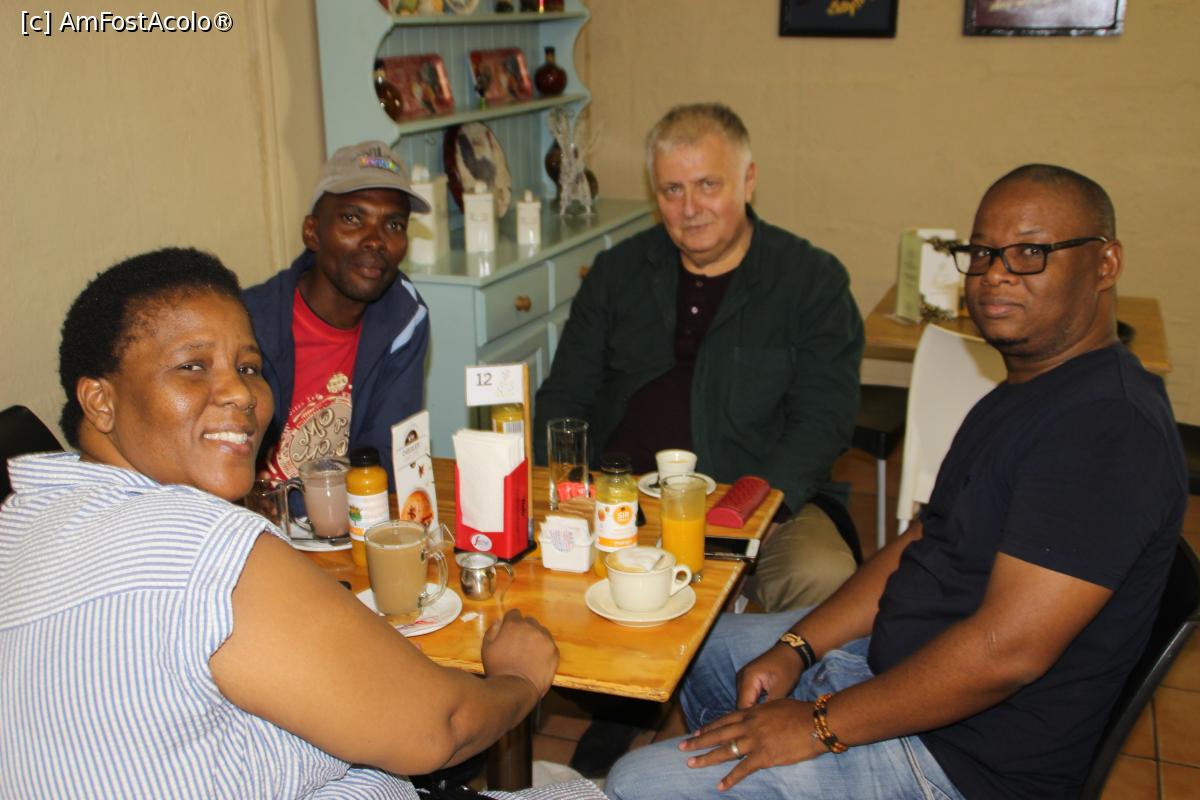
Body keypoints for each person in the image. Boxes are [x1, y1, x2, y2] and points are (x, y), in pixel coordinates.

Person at [605, 164, 1189, 799]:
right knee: (700, 644)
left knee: (637, 784)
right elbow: (923, 541)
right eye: (983, 252)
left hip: (961, 764)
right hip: (893, 668)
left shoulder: (1107, 428)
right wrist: (797, 646)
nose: (995, 273)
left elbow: (1007, 650)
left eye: (1030, 253)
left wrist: (819, 725)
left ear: (1106, 263)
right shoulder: (1024, 393)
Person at [0, 247, 604, 799]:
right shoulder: (198, 543)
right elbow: (440, 728)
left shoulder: (23, 520)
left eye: (249, 367)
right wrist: (519, 679)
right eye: (192, 367)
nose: (240, 394)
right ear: (99, 400)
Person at [534, 103, 864, 613]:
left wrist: (756, 511)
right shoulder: (617, 272)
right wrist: (572, 489)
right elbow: (564, 395)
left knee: (821, 575)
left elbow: (822, 420)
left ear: (748, 181)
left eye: (708, 185)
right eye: (673, 190)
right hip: (622, 501)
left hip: (764, 501)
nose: (690, 208)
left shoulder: (811, 281)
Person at [244, 140, 431, 491]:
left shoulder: (405, 318)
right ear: (312, 232)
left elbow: (391, 454)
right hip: (258, 515)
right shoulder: (248, 322)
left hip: (351, 511)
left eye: (394, 225)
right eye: (352, 218)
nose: (375, 240)